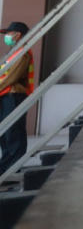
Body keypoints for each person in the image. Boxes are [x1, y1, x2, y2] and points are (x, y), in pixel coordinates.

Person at [0, 21, 34, 174]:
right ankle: (6, 166)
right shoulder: (13, 52)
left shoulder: (22, 52)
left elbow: (11, 77)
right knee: (5, 133)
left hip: (14, 95)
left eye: (8, 33)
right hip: (5, 95)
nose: (6, 37)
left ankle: (13, 169)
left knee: (13, 132)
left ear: (18, 34)